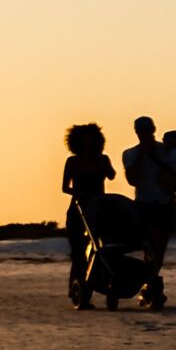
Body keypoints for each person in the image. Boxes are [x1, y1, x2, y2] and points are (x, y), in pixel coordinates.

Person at [121, 117, 176, 278]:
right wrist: (143, 154)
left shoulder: (167, 150)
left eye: (148, 130)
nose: (145, 134)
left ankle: (151, 279)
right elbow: (132, 180)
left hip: (166, 203)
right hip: (144, 204)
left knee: (160, 246)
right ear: (137, 132)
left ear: (154, 130)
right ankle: (149, 279)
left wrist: (172, 182)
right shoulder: (131, 154)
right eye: (142, 131)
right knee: (149, 244)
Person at [61, 121, 117, 302]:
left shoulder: (102, 159)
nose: (89, 143)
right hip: (78, 210)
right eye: (86, 140)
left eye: (93, 140)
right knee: (78, 254)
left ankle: (100, 285)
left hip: (99, 210)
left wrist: (103, 162)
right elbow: (64, 187)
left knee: (101, 251)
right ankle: (77, 289)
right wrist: (79, 193)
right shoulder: (72, 162)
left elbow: (112, 175)